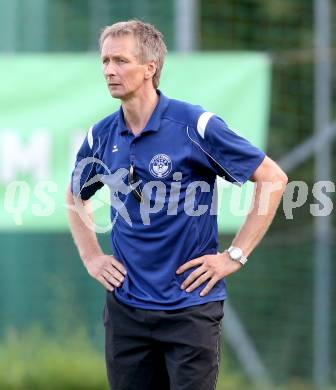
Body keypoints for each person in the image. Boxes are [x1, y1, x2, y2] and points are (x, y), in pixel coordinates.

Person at [66, 20, 288, 390]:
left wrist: (235, 255)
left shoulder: (194, 125)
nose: (108, 70)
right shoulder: (101, 135)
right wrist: (92, 256)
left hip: (189, 308)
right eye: (105, 60)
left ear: (150, 68)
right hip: (127, 310)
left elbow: (273, 178)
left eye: (120, 60)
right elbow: (76, 196)